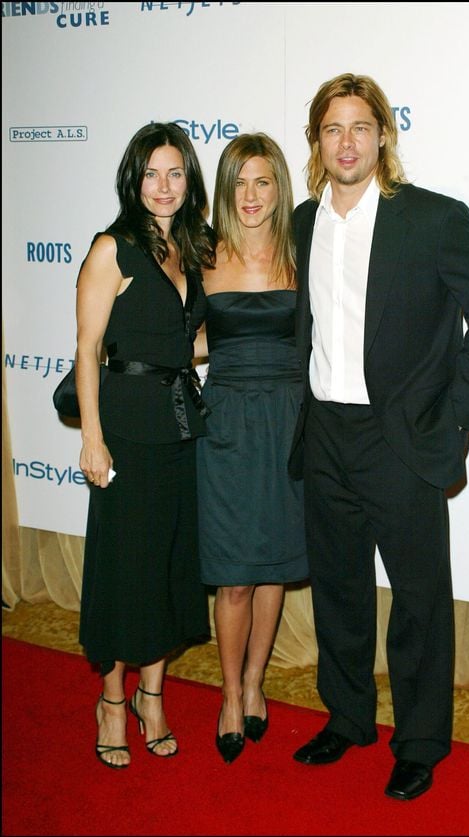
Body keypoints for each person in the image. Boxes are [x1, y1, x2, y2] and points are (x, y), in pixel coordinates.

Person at [288, 74, 469, 800]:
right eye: (333, 129)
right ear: (317, 142)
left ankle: (419, 741)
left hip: (401, 440)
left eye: (360, 126)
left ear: (384, 135)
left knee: (419, 598)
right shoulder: (301, 222)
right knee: (339, 590)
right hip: (324, 431)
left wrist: (452, 420)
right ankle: (349, 716)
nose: (347, 141)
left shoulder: (432, 219)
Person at [76, 122, 215, 769]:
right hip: (126, 433)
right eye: (152, 173)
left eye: (176, 173)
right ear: (135, 179)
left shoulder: (192, 251)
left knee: (167, 566)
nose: (164, 186)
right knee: (126, 570)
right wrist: (93, 440)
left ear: (190, 181)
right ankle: (111, 699)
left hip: (180, 431)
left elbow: (186, 341)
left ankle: (151, 696)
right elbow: (86, 348)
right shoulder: (114, 248)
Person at [194, 133, 309, 764]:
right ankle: (229, 695)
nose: (250, 196)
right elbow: (189, 338)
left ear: (279, 188)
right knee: (233, 575)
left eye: (262, 182)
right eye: (239, 182)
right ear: (224, 190)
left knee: (273, 568)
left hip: (291, 421)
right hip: (228, 423)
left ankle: (256, 683)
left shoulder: (304, 253)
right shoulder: (202, 255)